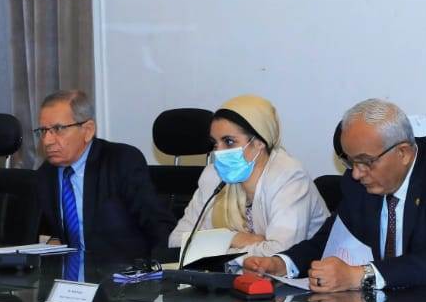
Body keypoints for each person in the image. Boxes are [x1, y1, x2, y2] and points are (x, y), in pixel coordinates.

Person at [242, 99, 426, 292]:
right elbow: (328, 239)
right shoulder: (360, 183)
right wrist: (282, 264)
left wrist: (359, 275)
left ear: (403, 153)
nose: (356, 173)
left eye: (366, 162)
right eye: (350, 162)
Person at [169, 95, 328, 258]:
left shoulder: (289, 176)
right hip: (234, 272)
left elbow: (281, 254)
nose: (219, 152)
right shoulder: (213, 176)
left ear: (259, 141)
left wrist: (212, 248)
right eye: (215, 144)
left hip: (303, 272)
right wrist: (232, 238)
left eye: (229, 142)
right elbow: (176, 241)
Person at [34, 89, 176, 259]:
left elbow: (158, 225)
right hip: (75, 271)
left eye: (58, 129)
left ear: (88, 130)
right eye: (43, 131)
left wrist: (162, 268)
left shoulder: (122, 161)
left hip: (125, 270)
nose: (47, 141)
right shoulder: (46, 175)